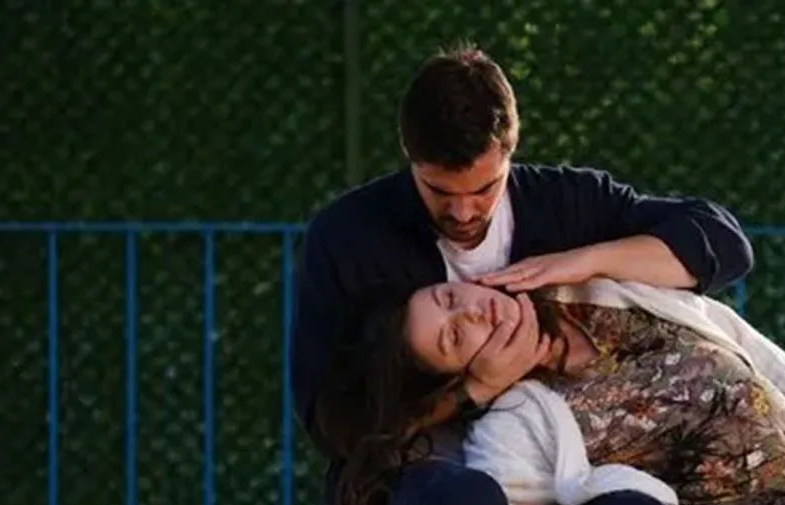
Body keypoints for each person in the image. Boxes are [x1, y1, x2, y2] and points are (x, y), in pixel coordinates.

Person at [293, 42, 755, 505]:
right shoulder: (348, 237)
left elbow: (723, 245)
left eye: (484, 189)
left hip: (570, 455)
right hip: (425, 472)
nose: (462, 212)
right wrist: (474, 390)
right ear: (408, 154)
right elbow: (335, 426)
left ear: (509, 152)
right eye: (439, 191)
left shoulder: (565, 203)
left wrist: (584, 260)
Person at [314, 280, 785, 505]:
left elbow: (750, 347)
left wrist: (585, 261)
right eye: (455, 337)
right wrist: (479, 389)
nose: (471, 313)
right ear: (455, 377)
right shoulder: (514, 426)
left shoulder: (590, 292)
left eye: (450, 298)